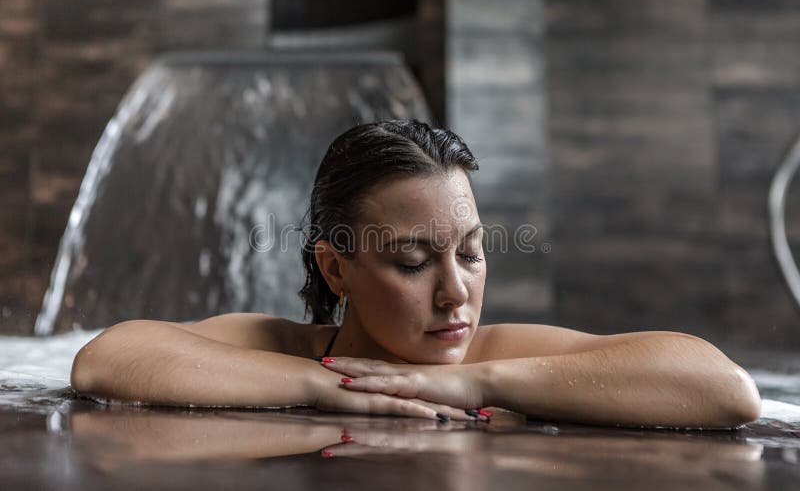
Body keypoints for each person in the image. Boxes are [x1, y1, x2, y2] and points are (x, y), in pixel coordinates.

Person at [70, 120, 761, 428]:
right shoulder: (283, 349)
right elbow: (109, 358)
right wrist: (325, 388)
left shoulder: (499, 357)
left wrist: (476, 381)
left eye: (470, 252)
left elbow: (725, 389)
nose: (455, 292)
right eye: (411, 261)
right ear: (336, 269)